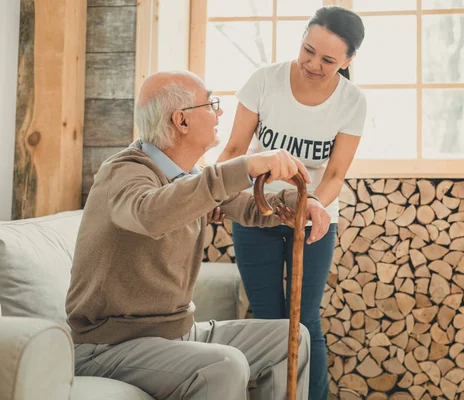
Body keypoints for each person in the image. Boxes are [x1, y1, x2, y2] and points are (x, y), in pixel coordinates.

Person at [65, 70, 333, 400]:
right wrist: (245, 166)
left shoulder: (187, 176)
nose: (220, 112)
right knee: (226, 364)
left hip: (178, 334)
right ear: (182, 121)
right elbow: (151, 214)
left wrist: (303, 201)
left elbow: (251, 208)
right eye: (211, 104)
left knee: (292, 337)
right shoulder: (124, 171)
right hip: (108, 346)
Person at [216, 6, 367, 399]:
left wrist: (313, 205)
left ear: (348, 60)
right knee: (268, 319)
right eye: (308, 50)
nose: (313, 64)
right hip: (256, 212)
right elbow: (234, 148)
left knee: (304, 322)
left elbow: (334, 175)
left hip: (314, 217)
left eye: (329, 59)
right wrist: (209, 193)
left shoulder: (352, 102)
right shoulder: (264, 81)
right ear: (301, 39)